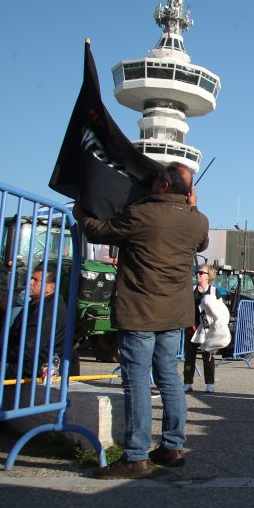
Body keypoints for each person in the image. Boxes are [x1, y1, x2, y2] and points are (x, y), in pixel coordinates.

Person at [75, 163, 209, 479]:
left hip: (140, 309)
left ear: (163, 186)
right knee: (169, 378)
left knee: (136, 378)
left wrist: (82, 214)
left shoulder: (141, 214)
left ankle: (135, 456)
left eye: (156, 179)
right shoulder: (198, 221)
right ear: (187, 192)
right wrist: (193, 206)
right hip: (174, 312)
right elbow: (201, 243)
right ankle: (173, 447)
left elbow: (99, 230)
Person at [0, 267, 68, 405]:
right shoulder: (36, 303)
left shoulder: (48, 311)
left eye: (35, 280)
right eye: (30, 278)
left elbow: (28, 350)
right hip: (17, 361)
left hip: (26, 368)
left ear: (50, 287)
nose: (29, 282)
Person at [184, 264, 219, 394]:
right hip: (192, 327)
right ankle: (187, 383)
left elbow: (220, 312)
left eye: (201, 273)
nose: (197, 274)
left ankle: (210, 384)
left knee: (208, 356)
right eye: (197, 272)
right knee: (189, 356)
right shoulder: (192, 289)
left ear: (208, 276)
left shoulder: (215, 291)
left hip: (207, 329)